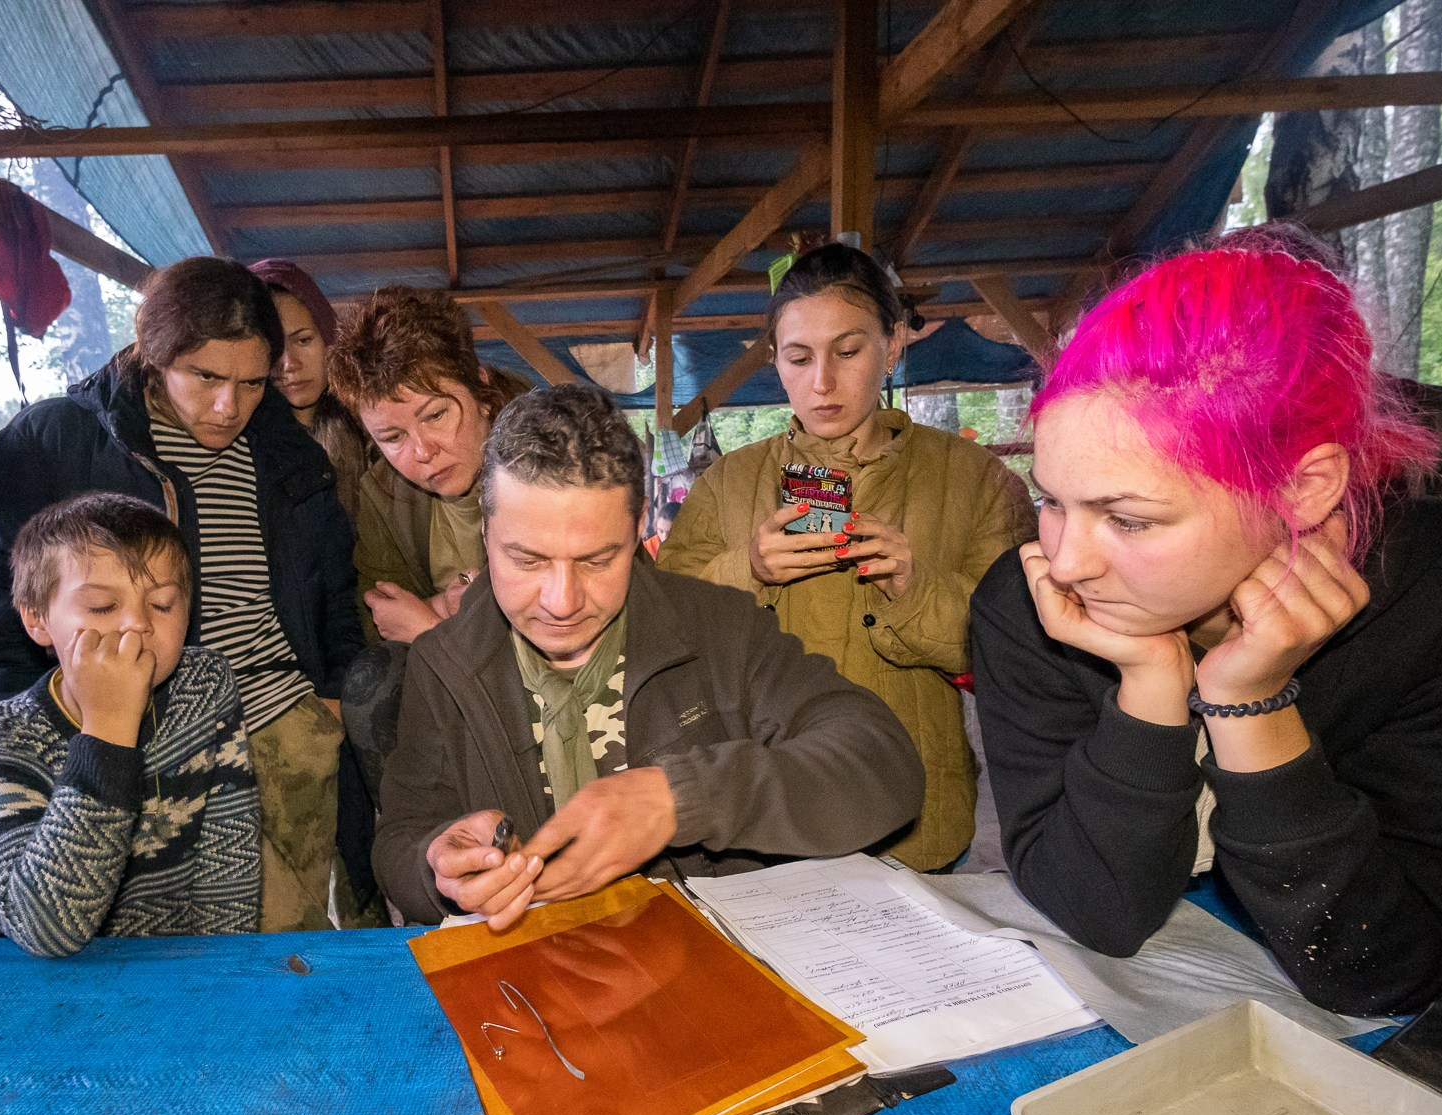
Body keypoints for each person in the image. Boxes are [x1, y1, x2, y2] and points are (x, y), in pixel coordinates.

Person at [969, 232, 1442, 1017]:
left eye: (1128, 518)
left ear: (1305, 487)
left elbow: (1381, 968)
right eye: (1051, 500)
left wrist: (1250, 702)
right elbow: (1100, 912)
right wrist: (1152, 686)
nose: (1067, 560)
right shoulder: (1024, 601)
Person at [374, 383, 924, 928]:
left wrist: (685, 799)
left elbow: (882, 763)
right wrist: (439, 867)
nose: (561, 602)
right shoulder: (441, 664)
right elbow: (402, 836)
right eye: (528, 561)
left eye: (597, 560)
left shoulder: (720, 629)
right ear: (487, 536)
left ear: (637, 529)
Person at [0, 257, 364, 933]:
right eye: (205, 377)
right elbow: (0, 616)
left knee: (296, 943)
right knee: (141, 941)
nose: (228, 406)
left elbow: (334, 590)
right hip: (142, 741)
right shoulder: (61, 443)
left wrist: (333, 699)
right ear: (155, 351)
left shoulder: (288, 453)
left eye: (252, 383)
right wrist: (54, 739)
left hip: (286, 728)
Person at [659, 243, 1034, 872]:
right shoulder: (727, 484)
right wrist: (743, 569)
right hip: (763, 811)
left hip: (915, 812)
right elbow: (660, 626)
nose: (822, 382)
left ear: (891, 347)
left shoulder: (975, 481)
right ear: (775, 362)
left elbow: (1019, 657)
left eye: (849, 351)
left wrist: (915, 588)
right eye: (799, 358)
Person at [0, 494, 261, 956]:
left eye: (164, 604)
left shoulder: (205, 686)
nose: (136, 624)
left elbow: (228, 871)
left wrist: (221, 974)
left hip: (189, 971)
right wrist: (108, 729)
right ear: (37, 619)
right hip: (55, 989)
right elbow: (46, 930)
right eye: (102, 607)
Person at [324, 285, 530, 644]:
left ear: (481, 392)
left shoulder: (553, 458)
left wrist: (432, 629)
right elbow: (379, 619)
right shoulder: (382, 492)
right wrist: (443, 609)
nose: (422, 451)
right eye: (392, 437)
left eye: (436, 415)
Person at [249, 258, 374, 526]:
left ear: (329, 336)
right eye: (272, 347)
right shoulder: (244, 447)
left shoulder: (375, 428)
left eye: (303, 340)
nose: (289, 364)